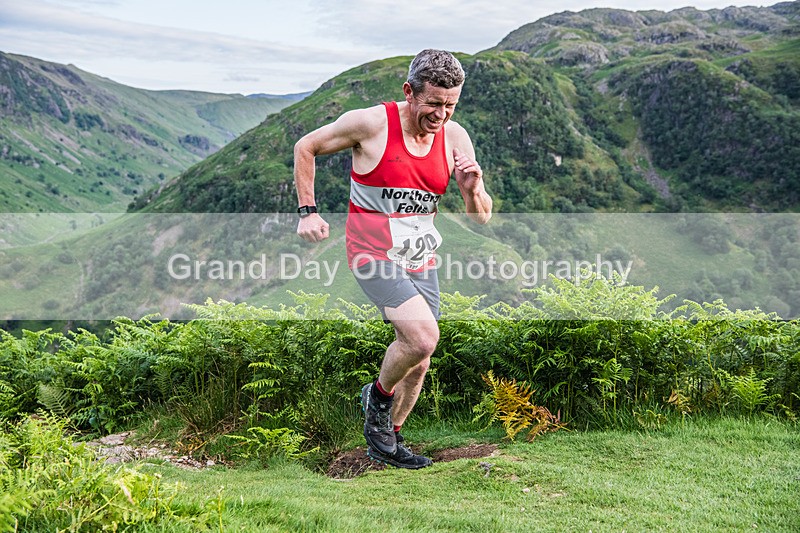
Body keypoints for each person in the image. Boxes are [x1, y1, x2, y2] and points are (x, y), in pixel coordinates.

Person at [293, 49, 492, 469]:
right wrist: (308, 212)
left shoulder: (456, 137)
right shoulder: (370, 123)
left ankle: (390, 441)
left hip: (420, 257)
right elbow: (306, 146)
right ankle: (377, 407)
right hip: (371, 252)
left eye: (451, 104)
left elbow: (481, 219)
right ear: (409, 91)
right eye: (433, 103)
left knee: (420, 358)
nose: (441, 114)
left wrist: (473, 189)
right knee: (422, 338)